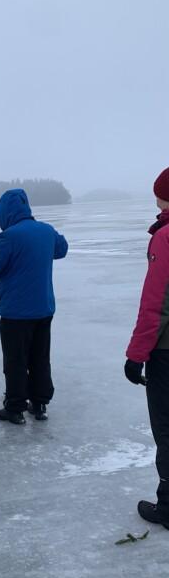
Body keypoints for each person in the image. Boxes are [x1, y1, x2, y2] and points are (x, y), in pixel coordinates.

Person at [0, 188, 68, 424]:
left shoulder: (9, 237)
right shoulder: (46, 231)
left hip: (16, 312)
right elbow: (62, 249)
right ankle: (39, 405)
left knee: (16, 360)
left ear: (5, 214)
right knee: (40, 357)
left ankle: (15, 408)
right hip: (44, 308)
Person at [125, 167, 169, 529]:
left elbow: (155, 304)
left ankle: (168, 506)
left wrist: (136, 355)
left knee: (167, 427)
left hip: (166, 352)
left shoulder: (165, 237)